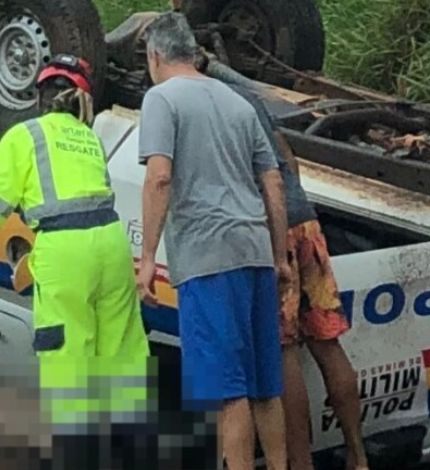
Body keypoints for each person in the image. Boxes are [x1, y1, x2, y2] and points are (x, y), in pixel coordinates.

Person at [135, 12, 290, 470]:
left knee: (227, 390)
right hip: (255, 253)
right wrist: (279, 256)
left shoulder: (162, 98)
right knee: (265, 386)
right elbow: (274, 182)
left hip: (207, 259)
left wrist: (147, 256)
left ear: (155, 55)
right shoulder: (238, 102)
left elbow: (159, 178)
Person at [0, 54, 152, 469]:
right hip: (110, 243)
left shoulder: (24, 134)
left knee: (67, 355)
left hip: (65, 252)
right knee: (120, 352)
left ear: (40, 95)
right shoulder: (89, 140)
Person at [225, 83, 370, 470]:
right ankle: (358, 456)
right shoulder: (248, 95)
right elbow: (287, 157)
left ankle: (301, 464)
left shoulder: (206, 99)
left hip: (274, 226)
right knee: (327, 340)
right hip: (306, 220)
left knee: (283, 350)